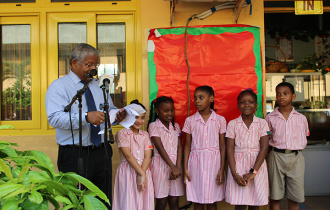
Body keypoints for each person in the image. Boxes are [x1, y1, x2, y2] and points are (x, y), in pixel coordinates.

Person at [45, 43, 126, 208]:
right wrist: (85, 117)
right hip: (75, 154)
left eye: (95, 64)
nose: (93, 68)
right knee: (78, 201)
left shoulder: (98, 86)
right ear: (74, 63)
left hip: (101, 151)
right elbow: (54, 118)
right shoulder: (58, 87)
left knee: (103, 199)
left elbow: (107, 110)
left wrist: (117, 116)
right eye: (89, 64)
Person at [265, 82, 310, 210]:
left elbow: (304, 136)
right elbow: (266, 140)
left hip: (296, 157)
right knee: (275, 196)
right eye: (278, 94)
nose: (281, 97)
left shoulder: (301, 118)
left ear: (293, 96)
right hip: (275, 156)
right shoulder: (269, 118)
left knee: (295, 197)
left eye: (286, 94)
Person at [182, 85, 226, 210]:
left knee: (212, 201)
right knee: (198, 201)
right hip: (196, 164)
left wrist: (222, 169)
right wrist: (185, 168)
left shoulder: (220, 120)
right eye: (195, 98)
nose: (197, 101)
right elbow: (187, 146)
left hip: (214, 164)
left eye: (201, 98)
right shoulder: (190, 121)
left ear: (211, 99)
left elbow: (222, 145)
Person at [225, 89, 270, 210]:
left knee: (254, 204)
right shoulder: (232, 124)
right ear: (238, 105)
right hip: (238, 166)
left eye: (250, 102)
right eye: (243, 102)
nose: (247, 105)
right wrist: (235, 175)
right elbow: (229, 150)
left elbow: (264, 148)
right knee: (239, 204)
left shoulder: (262, 123)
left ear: (256, 105)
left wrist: (253, 172)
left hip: (257, 166)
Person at [112, 100, 154, 210]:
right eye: (136, 117)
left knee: (143, 201)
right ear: (128, 117)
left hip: (143, 170)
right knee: (128, 201)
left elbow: (148, 156)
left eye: (142, 117)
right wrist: (141, 174)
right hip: (128, 171)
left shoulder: (145, 135)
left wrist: (142, 174)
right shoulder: (122, 133)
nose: (139, 121)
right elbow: (128, 156)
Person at [147, 96, 185, 210]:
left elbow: (179, 146)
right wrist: (172, 167)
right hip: (160, 166)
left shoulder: (176, 126)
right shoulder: (153, 126)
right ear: (157, 111)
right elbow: (159, 147)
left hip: (175, 167)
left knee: (174, 201)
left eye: (172, 110)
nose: (170, 113)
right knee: (161, 201)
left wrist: (177, 167)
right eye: (166, 110)